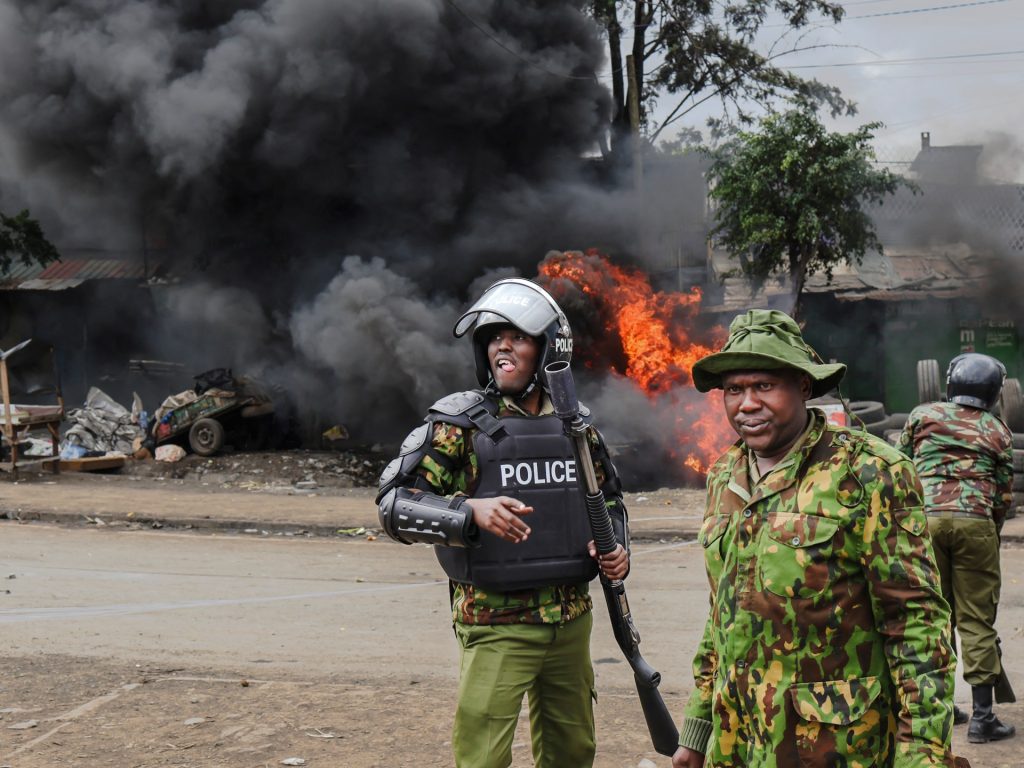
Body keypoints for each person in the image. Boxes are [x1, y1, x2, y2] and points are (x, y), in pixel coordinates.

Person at [673, 309, 961, 768]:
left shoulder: (868, 473)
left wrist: (922, 754)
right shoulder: (725, 475)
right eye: (733, 389)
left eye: (764, 385)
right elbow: (722, 616)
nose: (747, 404)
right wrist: (697, 729)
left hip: (832, 749)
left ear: (804, 387)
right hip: (737, 744)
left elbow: (916, 625)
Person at [375, 277, 629, 768]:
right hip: (496, 625)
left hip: (571, 622)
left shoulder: (576, 426)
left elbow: (609, 500)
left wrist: (615, 548)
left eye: (517, 337)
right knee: (484, 759)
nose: (502, 347)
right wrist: (469, 511)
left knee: (574, 754)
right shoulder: (459, 424)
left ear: (548, 349)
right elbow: (393, 504)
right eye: (494, 338)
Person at [898, 352, 1015, 744]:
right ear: (993, 391)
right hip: (975, 524)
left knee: (934, 616)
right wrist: (989, 530)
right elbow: (1003, 494)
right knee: (976, 621)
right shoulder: (998, 430)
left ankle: (941, 709)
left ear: (952, 383)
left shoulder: (922, 415)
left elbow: (900, 466)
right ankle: (983, 720)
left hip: (925, 522)